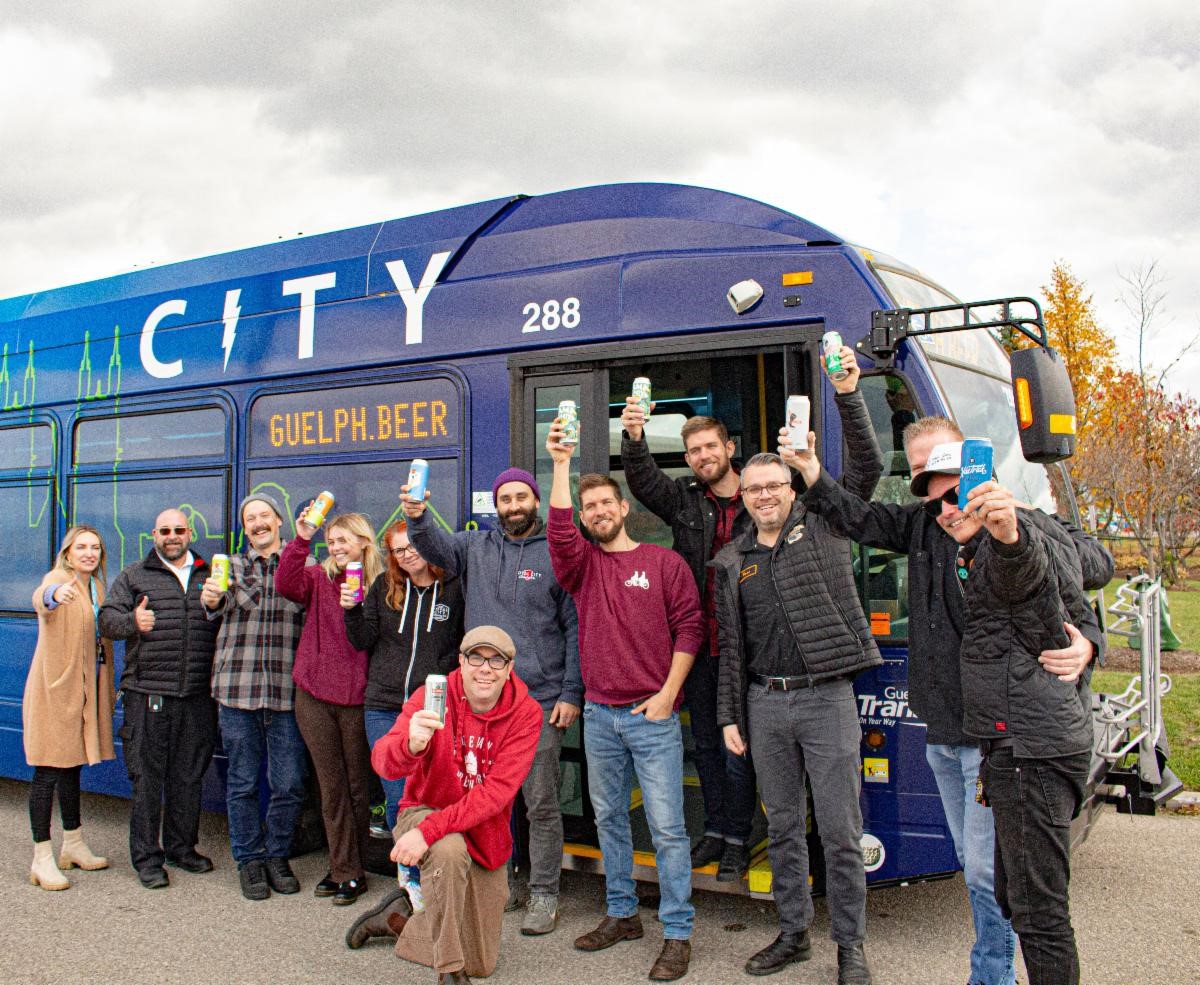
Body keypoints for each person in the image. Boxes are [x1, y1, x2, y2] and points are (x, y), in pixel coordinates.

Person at [793, 414, 1108, 985]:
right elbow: (856, 517)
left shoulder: (1015, 527)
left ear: (971, 463)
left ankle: (991, 973)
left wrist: (1090, 645)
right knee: (979, 870)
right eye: (919, 474)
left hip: (1003, 741)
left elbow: (1069, 582)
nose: (943, 498)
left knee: (998, 879)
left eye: (947, 472)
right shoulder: (928, 524)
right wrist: (810, 470)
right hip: (945, 730)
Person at [908, 442, 1096, 985]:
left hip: (1028, 748)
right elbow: (1074, 607)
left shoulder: (1009, 539)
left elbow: (1022, 570)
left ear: (985, 488)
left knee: (1038, 913)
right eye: (936, 503)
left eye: (956, 495)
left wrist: (1009, 534)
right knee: (1014, 892)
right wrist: (1088, 646)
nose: (947, 510)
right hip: (1015, 742)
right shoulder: (979, 547)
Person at [713, 408, 882, 984]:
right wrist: (730, 716)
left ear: (792, 488)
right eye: (754, 489)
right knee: (782, 827)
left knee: (838, 830)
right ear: (742, 497)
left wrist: (849, 397)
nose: (764, 496)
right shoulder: (733, 561)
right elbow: (732, 649)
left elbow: (869, 467)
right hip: (765, 704)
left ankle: (850, 946)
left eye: (774, 486)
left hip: (825, 699)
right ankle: (793, 934)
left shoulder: (826, 523)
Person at [545, 422, 704, 983]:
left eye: (604, 503)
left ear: (624, 508)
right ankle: (622, 915)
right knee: (610, 819)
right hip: (598, 715)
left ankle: (677, 933)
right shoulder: (582, 568)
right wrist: (561, 465)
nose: (596, 513)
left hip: (649, 715)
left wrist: (667, 696)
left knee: (666, 829)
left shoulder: (664, 565)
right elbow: (560, 535)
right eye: (588, 507)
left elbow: (691, 630)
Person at [403, 467, 580, 936]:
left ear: (535, 501)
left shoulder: (555, 554)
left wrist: (570, 691)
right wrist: (417, 517)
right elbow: (434, 547)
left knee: (539, 802)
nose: (514, 505)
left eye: (522, 497)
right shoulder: (474, 546)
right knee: (490, 800)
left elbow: (574, 627)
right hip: (481, 703)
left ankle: (545, 892)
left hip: (538, 702)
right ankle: (509, 880)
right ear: (496, 505)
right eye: (506, 498)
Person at [343, 626, 542, 985]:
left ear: (510, 668)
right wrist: (410, 745)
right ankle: (449, 972)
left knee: (481, 963)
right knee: (448, 851)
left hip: (482, 828)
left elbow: (496, 794)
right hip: (422, 809)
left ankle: (397, 918)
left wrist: (429, 832)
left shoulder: (526, 713)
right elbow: (383, 763)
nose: (485, 668)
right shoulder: (432, 696)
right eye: (476, 658)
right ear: (462, 662)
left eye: (496, 660)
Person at [100, 509, 221, 889]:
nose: (172, 536)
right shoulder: (135, 575)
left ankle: (181, 849)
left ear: (190, 533)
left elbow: (226, 623)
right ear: (154, 534)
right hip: (148, 693)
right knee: (148, 780)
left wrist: (217, 606)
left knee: (189, 777)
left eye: (179, 530)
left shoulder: (210, 576)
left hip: (198, 695)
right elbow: (106, 619)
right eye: (165, 530)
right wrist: (132, 623)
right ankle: (148, 859)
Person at [201, 493, 308, 901]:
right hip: (237, 692)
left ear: (279, 521)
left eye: (265, 515)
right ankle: (249, 860)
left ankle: (277, 855)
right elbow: (213, 599)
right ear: (245, 527)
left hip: (287, 694)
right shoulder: (231, 566)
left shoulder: (305, 568)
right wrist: (211, 598)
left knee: (289, 783)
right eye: (250, 518)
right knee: (242, 783)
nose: (258, 523)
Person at [276, 510, 383, 905]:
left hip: (357, 698)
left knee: (357, 787)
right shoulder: (319, 578)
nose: (336, 548)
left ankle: (350, 866)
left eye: (344, 541)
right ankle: (344, 868)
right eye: (332, 542)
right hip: (314, 695)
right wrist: (300, 538)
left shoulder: (381, 584)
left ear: (363, 543)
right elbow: (286, 583)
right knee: (330, 785)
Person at [343, 519, 464, 828]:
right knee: (398, 796)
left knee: (434, 794)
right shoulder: (384, 585)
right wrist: (352, 610)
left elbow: (463, 642)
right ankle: (408, 875)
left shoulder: (454, 586)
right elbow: (362, 640)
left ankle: (433, 870)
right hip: (384, 707)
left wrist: (440, 668)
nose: (407, 555)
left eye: (412, 546)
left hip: (434, 707)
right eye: (399, 550)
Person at [24, 525, 116, 890]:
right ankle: (41, 856)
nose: (89, 553)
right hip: (54, 691)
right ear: (67, 552)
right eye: (82, 547)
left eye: (95, 548)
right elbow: (41, 599)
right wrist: (52, 595)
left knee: (72, 767)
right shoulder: (58, 579)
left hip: (83, 690)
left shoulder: (95, 586)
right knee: (48, 770)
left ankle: (73, 844)